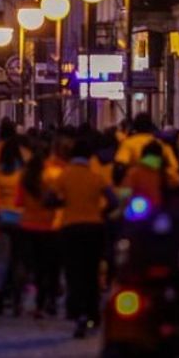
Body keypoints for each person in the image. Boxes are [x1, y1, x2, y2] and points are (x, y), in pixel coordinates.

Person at [55, 135, 118, 338]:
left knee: (74, 272)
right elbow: (113, 201)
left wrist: (64, 203)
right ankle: (93, 313)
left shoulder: (64, 175)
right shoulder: (95, 176)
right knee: (91, 271)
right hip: (94, 228)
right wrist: (101, 212)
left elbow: (50, 198)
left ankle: (77, 312)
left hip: (71, 228)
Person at [17, 144, 63, 318]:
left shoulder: (24, 176)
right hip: (51, 225)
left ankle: (35, 302)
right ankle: (50, 300)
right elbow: (60, 199)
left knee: (34, 266)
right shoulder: (54, 175)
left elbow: (19, 202)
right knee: (51, 266)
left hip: (28, 225)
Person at [0, 134, 26, 316]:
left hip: (2, 219)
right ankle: (17, 300)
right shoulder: (23, 173)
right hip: (20, 220)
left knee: (1, 260)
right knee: (18, 260)